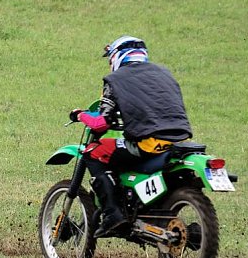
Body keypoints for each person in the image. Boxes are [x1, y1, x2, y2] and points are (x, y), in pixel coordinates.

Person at [69, 36, 192, 237]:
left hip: (149, 143)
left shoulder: (114, 81)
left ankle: (112, 215)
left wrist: (80, 115)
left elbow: (101, 122)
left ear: (117, 56)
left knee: (93, 152)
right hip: (179, 140)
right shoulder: (164, 74)